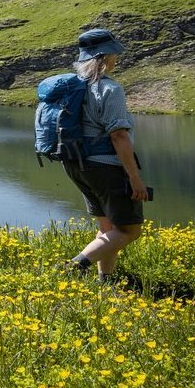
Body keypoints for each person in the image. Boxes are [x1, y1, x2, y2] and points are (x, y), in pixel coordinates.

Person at [61, 28, 149, 282]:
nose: (116, 59)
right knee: (130, 231)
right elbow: (118, 136)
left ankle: (106, 281)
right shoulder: (109, 89)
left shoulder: (74, 88)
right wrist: (134, 177)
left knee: (108, 228)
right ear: (106, 57)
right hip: (106, 168)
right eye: (113, 55)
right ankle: (74, 267)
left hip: (77, 164)